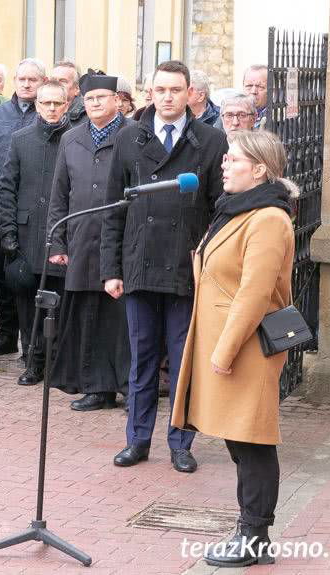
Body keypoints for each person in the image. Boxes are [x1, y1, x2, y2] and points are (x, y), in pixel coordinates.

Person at [171, 130, 297, 567]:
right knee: (238, 442)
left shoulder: (268, 218)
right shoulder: (236, 210)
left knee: (253, 442)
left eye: (234, 159)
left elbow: (254, 294)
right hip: (226, 341)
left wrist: (223, 352)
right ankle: (249, 527)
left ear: (260, 169)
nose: (223, 165)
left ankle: (255, 536)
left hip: (246, 347)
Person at [100, 60, 227, 473]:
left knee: (182, 358)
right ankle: (137, 440)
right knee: (142, 358)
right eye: (160, 90)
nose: (168, 97)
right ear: (150, 93)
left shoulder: (210, 141)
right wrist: (111, 268)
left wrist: (208, 264)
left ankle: (180, 442)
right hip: (139, 263)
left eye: (176, 90)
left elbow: (218, 210)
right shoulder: (129, 138)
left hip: (185, 267)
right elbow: (113, 209)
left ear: (190, 93)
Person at [47, 72, 132, 410]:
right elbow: (59, 194)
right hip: (81, 238)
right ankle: (97, 387)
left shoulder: (134, 135)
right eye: (90, 98)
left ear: (116, 100)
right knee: (89, 316)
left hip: (123, 239)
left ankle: (130, 386)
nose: (95, 103)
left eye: (101, 97)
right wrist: (58, 243)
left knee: (124, 317)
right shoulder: (71, 139)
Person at [0, 80, 71, 385]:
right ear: (37, 105)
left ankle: (54, 364)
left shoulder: (74, 139)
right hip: (27, 236)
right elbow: (6, 188)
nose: (51, 109)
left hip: (60, 235)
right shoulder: (21, 139)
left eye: (57, 103)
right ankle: (31, 359)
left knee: (60, 304)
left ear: (66, 105)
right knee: (28, 305)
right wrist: (8, 233)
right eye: (45, 103)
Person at [0, 58, 46, 357]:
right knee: (4, 275)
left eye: (33, 79)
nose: (27, 84)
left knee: (29, 275)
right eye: (22, 79)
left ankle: (35, 345)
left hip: (34, 207)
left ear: (42, 82)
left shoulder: (48, 113)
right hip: (0, 207)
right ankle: (6, 335)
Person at [49, 60, 86, 126]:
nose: (56, 84)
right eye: (53, 80)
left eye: (63, 81)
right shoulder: (40, 111)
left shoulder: (87, 118)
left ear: (77, 88)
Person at [242, 64, 269, 129]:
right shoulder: (229, 113)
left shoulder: (280, 117)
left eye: (260, 87)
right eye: (249, 86)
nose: (253, 91)